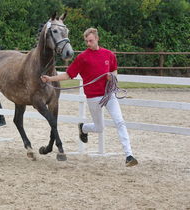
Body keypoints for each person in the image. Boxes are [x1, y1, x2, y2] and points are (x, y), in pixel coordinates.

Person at [40, 28, 138, 167]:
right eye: (86, 41)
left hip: (108, 95)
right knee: (99, 128)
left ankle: (129, 155)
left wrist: (112, 77)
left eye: (90, 40)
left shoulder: (109, 55)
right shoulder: (82, 58)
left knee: (120, 122)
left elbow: (114, 70)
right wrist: (50, 78)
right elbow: (68, 75)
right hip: (93, 97)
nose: (88, 43)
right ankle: (84, 128)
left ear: (97, 39)